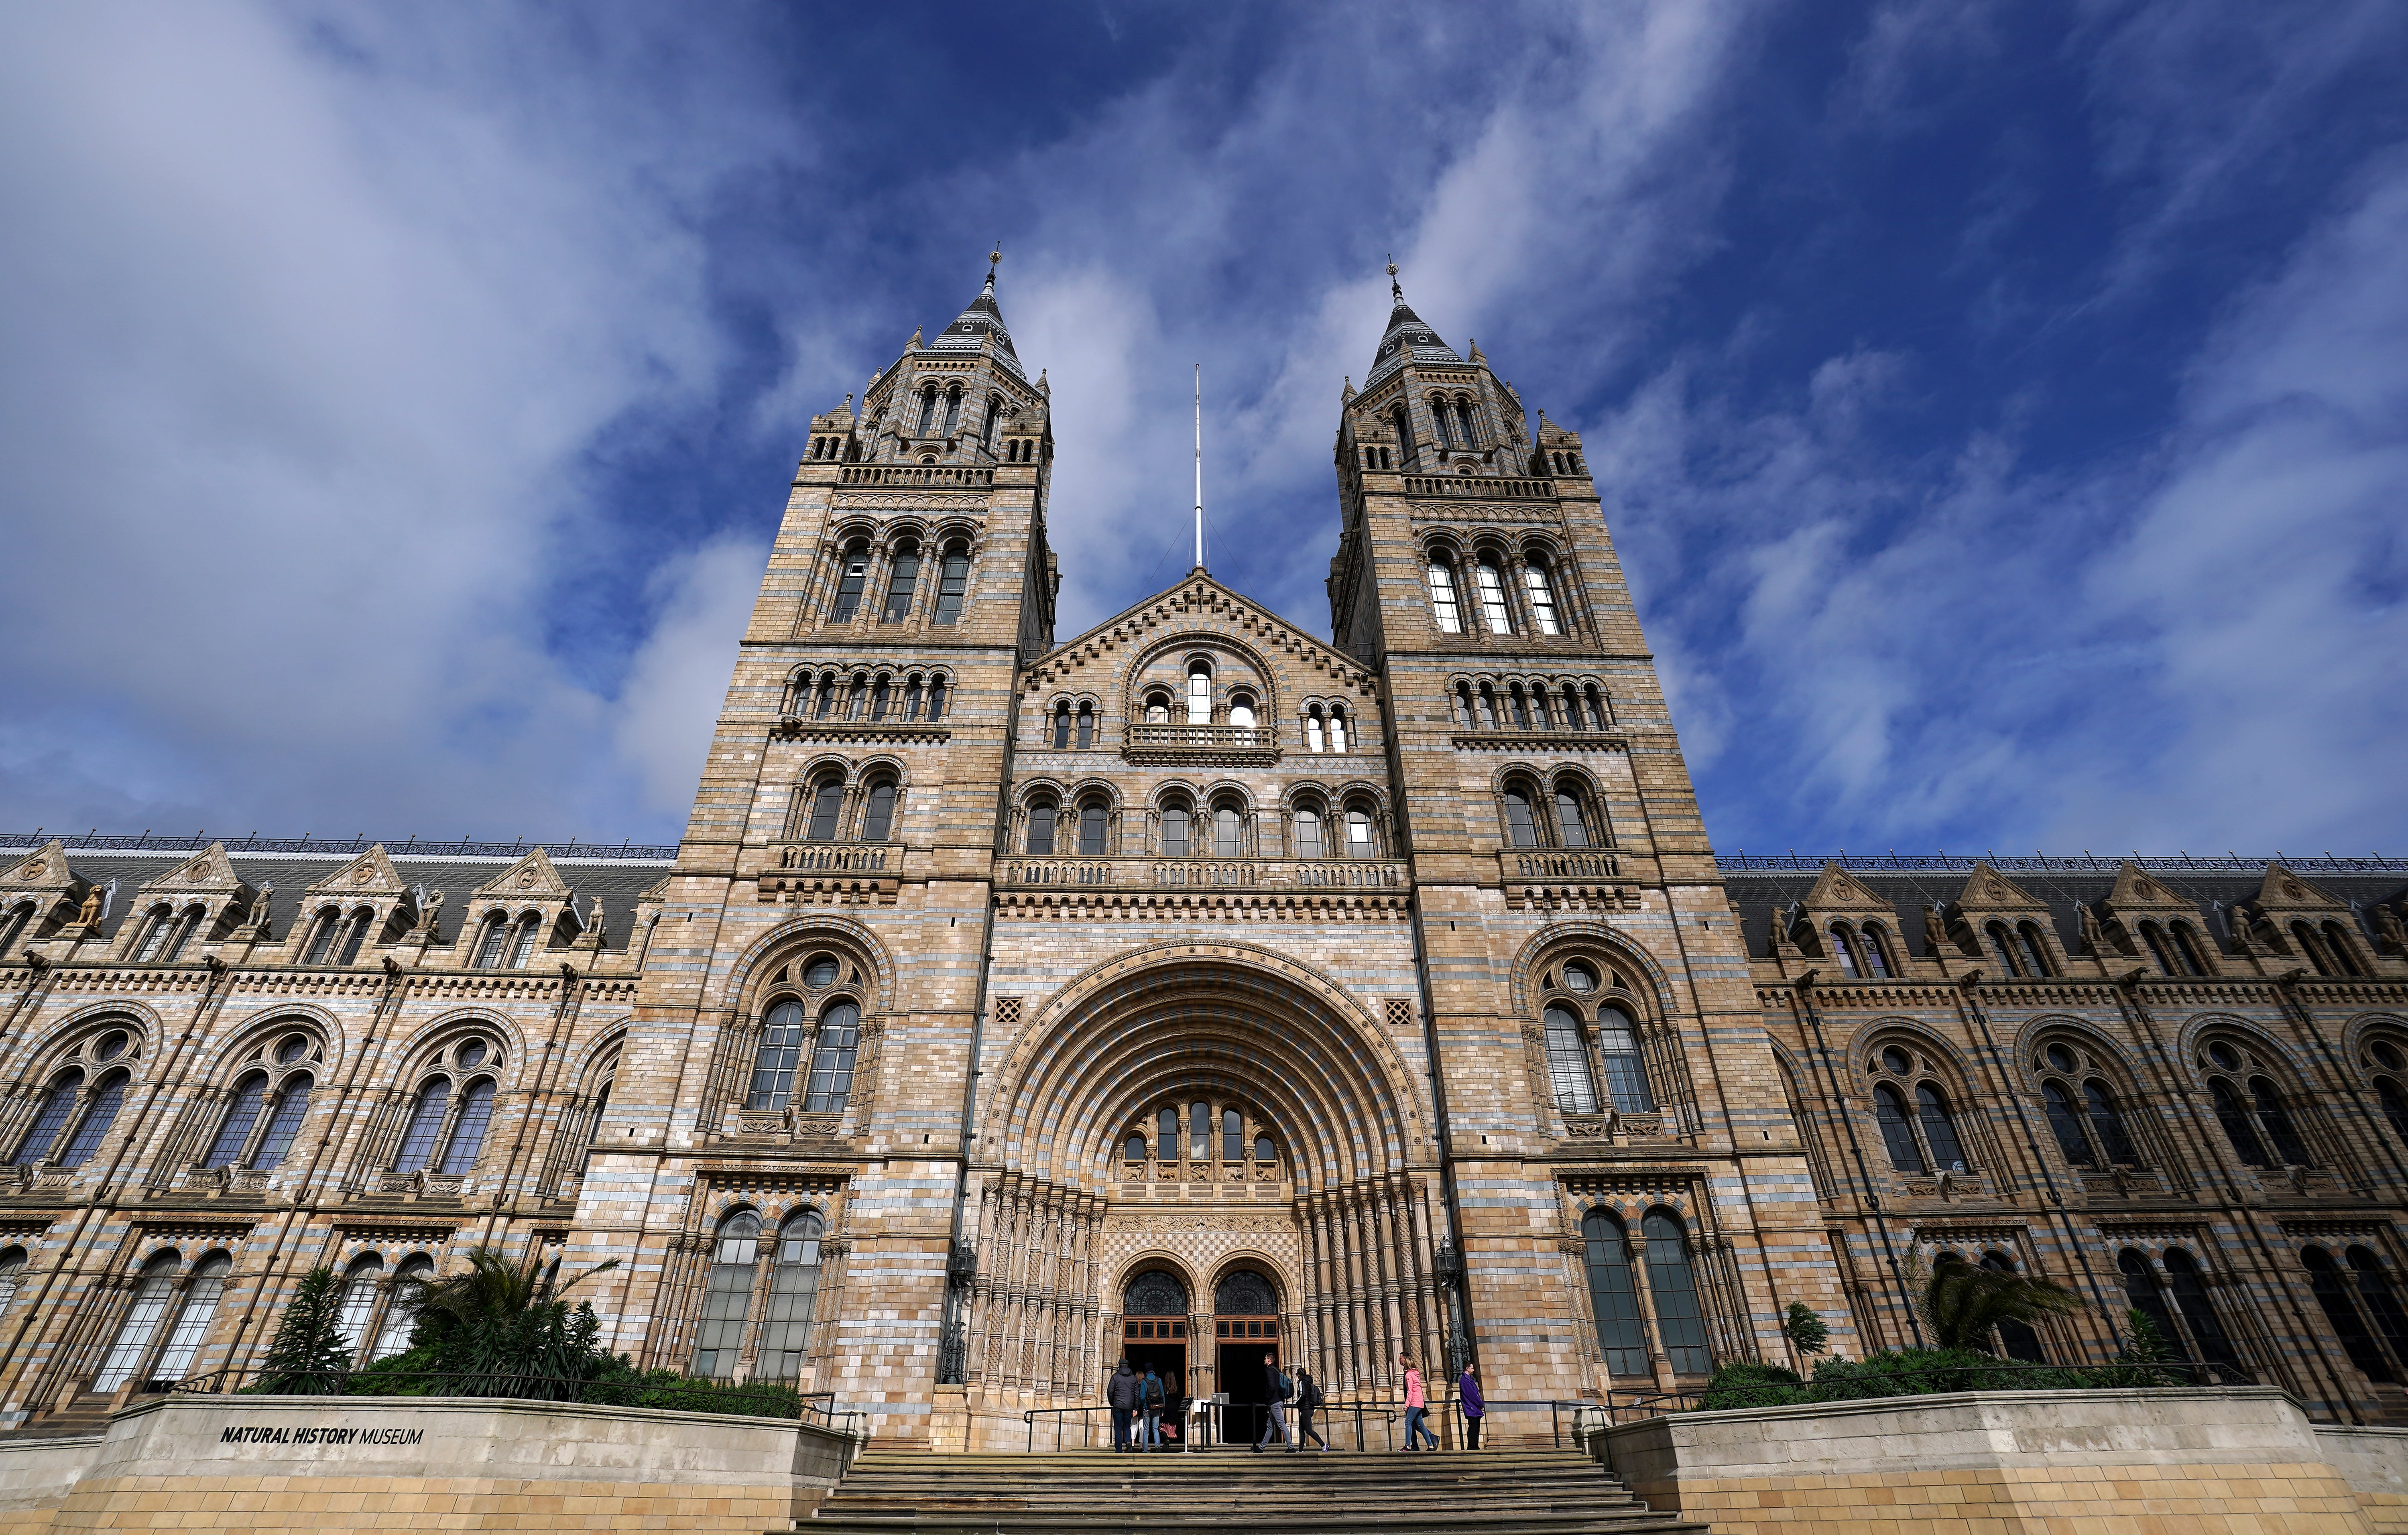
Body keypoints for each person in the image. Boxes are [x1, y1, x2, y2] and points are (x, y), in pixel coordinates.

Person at [1253, 1350, 1293, 1452]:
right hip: (1278, 1400)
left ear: (1269, 1360)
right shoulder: (1277, 1370)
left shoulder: (1270, 1371)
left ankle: (1291, 1447)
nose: (1264, 1360)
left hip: (1274, 1402)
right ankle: (1261, 1447)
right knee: (1270, 1426)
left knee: (1281, 1424)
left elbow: (1272, 1386)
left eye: (1265, 1359)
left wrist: (1268, 1398)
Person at [1400, 1354, 1437, 1451]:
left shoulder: (1408, 1375)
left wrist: (1406, 1405)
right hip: (1420, 1402)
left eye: (1401, 1359)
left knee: (1408, 1422)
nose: (1400, 1361)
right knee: (1421, 1425)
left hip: (1414, 1402)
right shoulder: (1416, 1374)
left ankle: (1407, 1446)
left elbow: (1410, 1391)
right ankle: (1431, 1445)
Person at [1294, 1363, 1330, 1452]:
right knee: (1301, 1429)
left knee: (1309, 1430)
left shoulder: (1302, 1382)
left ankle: (1324, 1445)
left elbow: (1303, 1394)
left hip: (1306, 1408)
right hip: (1309, 1408)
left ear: (1299, 1375)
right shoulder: (1309, 1382)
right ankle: (1301, 1450)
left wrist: (1297, 1403)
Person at [1107, 1358, 1138, 1452]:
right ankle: (1128, 1442)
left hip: (1118, 1406)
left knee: (1118, 1427)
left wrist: (1112, 1402)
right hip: (1129, 1406)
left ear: (1119, 1366)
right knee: (1127, 1426)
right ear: (1127, 1366)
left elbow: (1110, 1391)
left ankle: (1119, 1449)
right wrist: (1135, 1407)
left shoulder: (1115, 1377)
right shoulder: (1133, 1378)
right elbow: (1137, 1393)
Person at [1457, 1363, 1484, 1451]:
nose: (1473, 1370)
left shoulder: (1469, 1380)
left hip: (1474, 1408)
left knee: (1476, 1427)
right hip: (1471, 1408)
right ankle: (1472, 1446)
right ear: (1467, 1369)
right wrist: (1480, 1403)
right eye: (1472, 1368)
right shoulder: (1465, 1380)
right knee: (1473, 1427)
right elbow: (1471, 1395)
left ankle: (1475, 1445)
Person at [1141, 1366, 1165, 1451]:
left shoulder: (1144, 1381)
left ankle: (1145, 1449)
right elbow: (1162, 1396)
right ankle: (1157, 1446)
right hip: (1157, 1408)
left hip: (1147, 1408)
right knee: (1155, 1429)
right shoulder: (1159, 1380)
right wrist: (1163, 1409)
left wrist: (1142, 1406)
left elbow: (1143, 1397)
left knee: (1146, 1430)